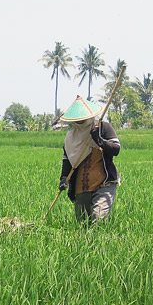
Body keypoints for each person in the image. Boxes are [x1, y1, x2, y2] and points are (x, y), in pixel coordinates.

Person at [58, 95, 121, 223]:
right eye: (77, 119)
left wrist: (99, 140)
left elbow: (116, 149)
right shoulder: (71, 137)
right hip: (81, 187)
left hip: (104, 184)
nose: (80, 121)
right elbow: (67, 161)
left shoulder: (103, 128)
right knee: (82, 224)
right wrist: (64, 178)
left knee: (99, 220)